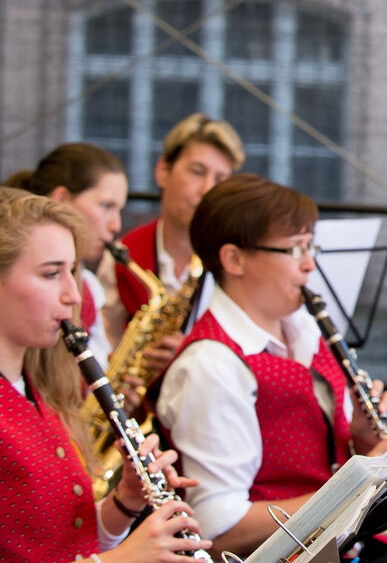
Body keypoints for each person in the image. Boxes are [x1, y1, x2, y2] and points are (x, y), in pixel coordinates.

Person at [154, 173, 387, 557]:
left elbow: (323, 457)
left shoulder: (304, 328)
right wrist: (356, 485)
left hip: (339, 545)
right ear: (234, 259)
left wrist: (360, 436)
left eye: (310, 246)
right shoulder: (210, 366)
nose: (309, 265)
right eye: (294, 249)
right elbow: (218, 528)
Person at [0, 187, 211, 561]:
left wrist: (126, 501)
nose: (73, 294)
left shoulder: (36, 390)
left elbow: (62, 540)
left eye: (73, 271)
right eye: (51, 274)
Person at [109, 113, 244, 373]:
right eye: (197, 172)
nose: (207, 190)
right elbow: (103, 345)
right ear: (163, 171)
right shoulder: (123, 253)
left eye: (220, 179)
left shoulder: (236, 265)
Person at [4, 142, 129, 369]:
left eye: (71, 270)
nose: (116, 225)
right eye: (105, 206)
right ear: (61, 199)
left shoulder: (89, 285)